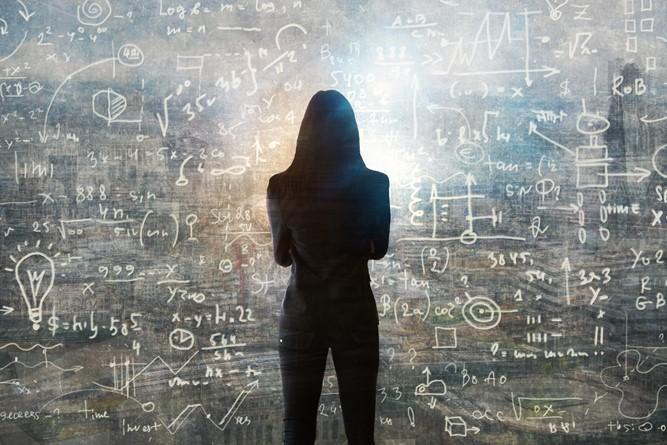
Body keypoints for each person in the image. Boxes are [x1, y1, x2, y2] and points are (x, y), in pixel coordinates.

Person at [266, 89, 390, 445]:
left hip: (302, 315)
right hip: (355, 316)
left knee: (298, 425)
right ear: (351, 132)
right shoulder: (375, 184)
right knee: (360, 427)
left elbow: (281, 256)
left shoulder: (281, 186)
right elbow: (378, 250)